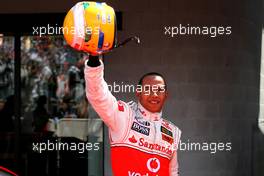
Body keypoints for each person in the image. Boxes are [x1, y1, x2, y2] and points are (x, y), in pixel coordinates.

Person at [84, 56, 181, 176]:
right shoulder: (124, 117)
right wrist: (94, 60)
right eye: (148, 89)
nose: (154, 94)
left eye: (159, 90)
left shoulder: (172, 131)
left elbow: (173, 172)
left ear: (166, 95)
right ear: (138, 93)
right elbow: (98, 96)